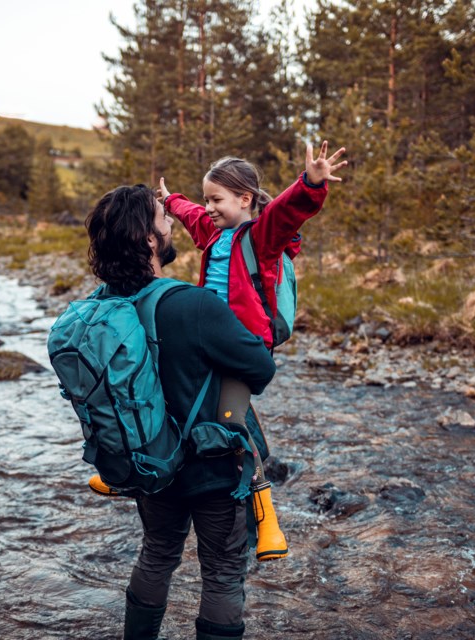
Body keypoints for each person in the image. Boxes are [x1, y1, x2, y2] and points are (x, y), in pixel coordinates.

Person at [85, 184, 277, 640]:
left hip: (148, 463)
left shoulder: (102, 306)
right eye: (162, 217)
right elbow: (260, 367)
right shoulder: (193, 304)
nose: (171, 223)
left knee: (156, 554)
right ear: (150, 240)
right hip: (212, 469)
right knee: (223, 573)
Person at [149, 140, 347, 562]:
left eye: (217, 199)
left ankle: (265, 512)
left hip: (242, 347)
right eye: (208, 199)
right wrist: (173, 200)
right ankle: (135, 465)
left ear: (244, 199)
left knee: (232, 421)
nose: (211, 208)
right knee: (173, 397)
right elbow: (190, 215)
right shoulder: (212, 232)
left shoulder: (261, 237)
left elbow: (288, 211)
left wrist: (310, 183)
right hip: (205, 343)